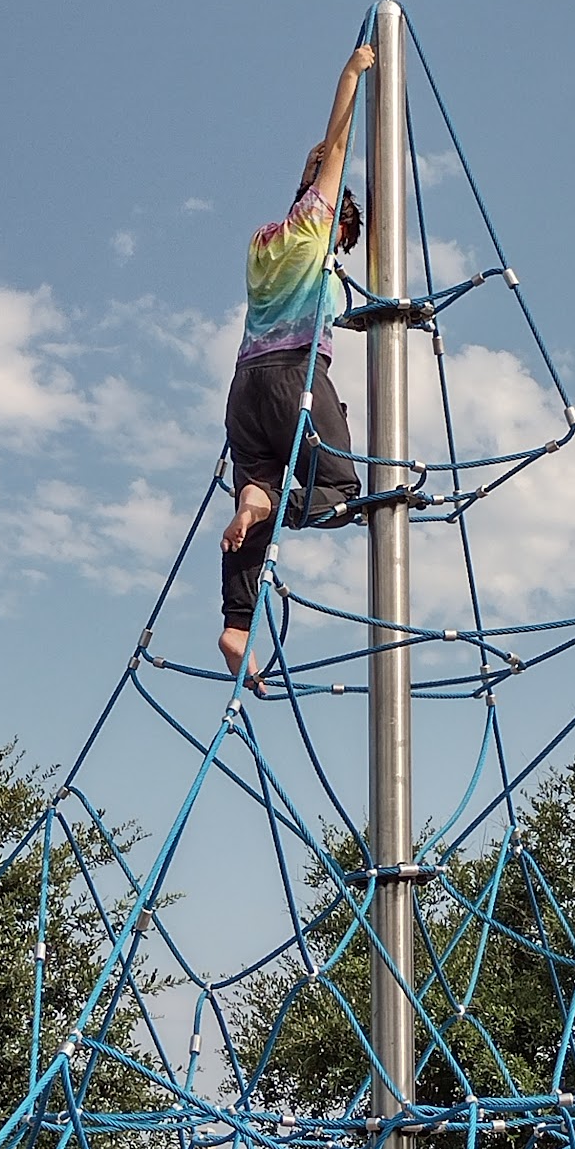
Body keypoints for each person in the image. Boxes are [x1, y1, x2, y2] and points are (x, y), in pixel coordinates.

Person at [219, 41, 375, 683]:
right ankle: (263, 504)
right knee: (342, 489)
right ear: (336, 223)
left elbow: (310, 181)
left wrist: (303, 172)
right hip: (294, 381)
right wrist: (351, 75)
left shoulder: (263, 242)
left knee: (253, 486)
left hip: (244, 390)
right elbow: (334, 152)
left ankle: (235, 623)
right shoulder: (317, 232)